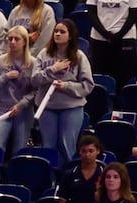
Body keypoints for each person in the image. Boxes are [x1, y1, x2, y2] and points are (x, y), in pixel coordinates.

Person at [31, 21, 93, 162]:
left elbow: (88, 85)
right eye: (56, 31)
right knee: (48, 147)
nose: (57, 34)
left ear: (70, 36)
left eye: (62, 32)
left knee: (66, 146)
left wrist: (67, 86)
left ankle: (66, 178)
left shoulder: (79, 56)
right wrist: (52, 70)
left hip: (71, 108)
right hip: (47, 108)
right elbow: (34, 80)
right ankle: (50, 179)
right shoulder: (43, 54)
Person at [0, 27, 37, 159]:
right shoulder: (0, 61)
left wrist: (21, 105)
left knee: (19, 150)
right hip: (4, 109)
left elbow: (36, 91)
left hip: (24, 111)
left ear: (24, 42)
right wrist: (5, 77)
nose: (13, 42)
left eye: (17, 39)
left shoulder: (33, 63)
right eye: (10, 39)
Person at [84, 0, 137, 91]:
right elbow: (91, 12)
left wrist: (118, 36)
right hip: (99, 38)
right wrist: (105, 34)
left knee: (123, 76)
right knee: (99, 75)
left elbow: (134, 13)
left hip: (125, 38)